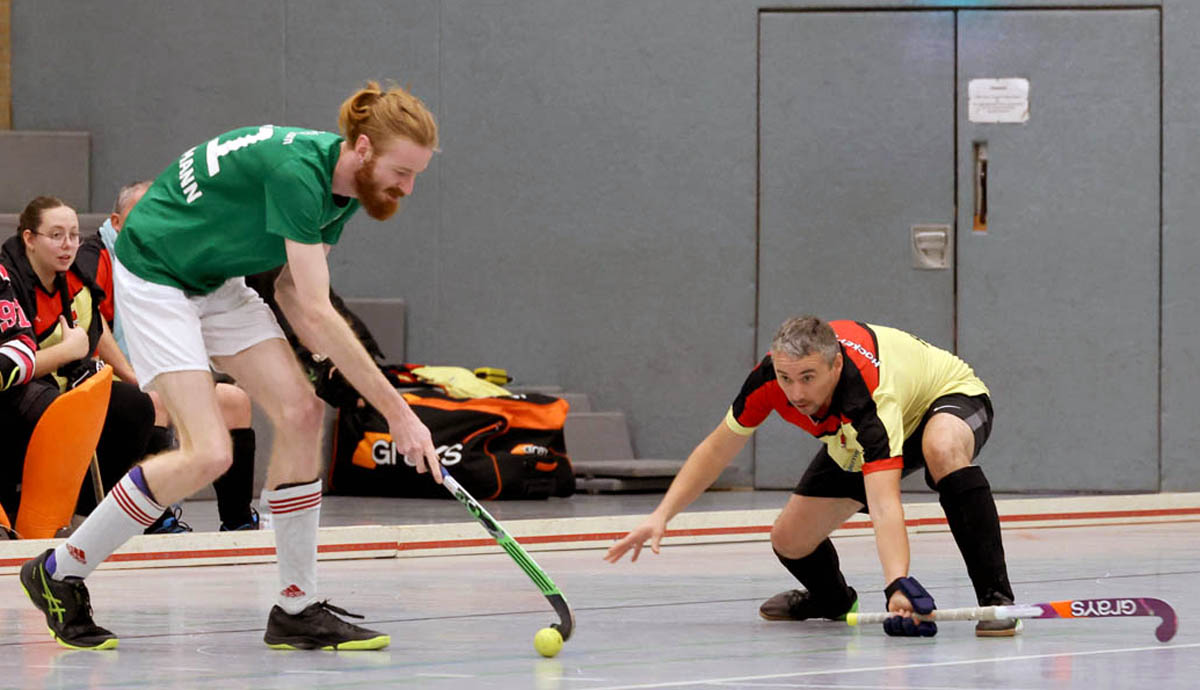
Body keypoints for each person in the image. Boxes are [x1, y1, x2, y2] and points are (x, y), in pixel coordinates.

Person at [20, 80, 442, 652]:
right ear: (363, 148)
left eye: (416, 175)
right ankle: (59, 571)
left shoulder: (341, 190)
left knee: (300, 414)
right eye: (402, 172)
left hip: (215, 278)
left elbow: (291, 291)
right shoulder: (299, 174)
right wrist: (398, 412)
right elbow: (317, 310)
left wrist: (326, 361)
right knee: (209, 452)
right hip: (156, 274)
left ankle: (296, 607)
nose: (407, 188)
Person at [606, 316, 1019, 638]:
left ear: (835, 364)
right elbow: (716, 449)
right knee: (790, 538)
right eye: (786, 378)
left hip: (945, 398)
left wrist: (897, 583)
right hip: (852, 436)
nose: (796, 394)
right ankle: (832, 600)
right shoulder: (768, 381)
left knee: (941, 448)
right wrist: (661, 515)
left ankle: (996, 598)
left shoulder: (868, 398)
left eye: (808, 378)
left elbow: (883, 503)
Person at [76, 180, 259, 532]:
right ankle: (154, 520)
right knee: (154, 401)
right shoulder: (95, 255)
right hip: (109, 379)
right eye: (141, 214)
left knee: (234, 402)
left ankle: (238, 521)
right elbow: (92, 322)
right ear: (116, 222)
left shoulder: (172, 258)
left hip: (162, 372)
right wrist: (132, 375)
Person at [0, 197, 157, 523]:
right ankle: (23, 509)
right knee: (48, 405)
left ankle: (87, 508)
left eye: (74, 235)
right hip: (14, 392)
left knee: (136, 404)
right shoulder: (8, 280)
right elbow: (11, 368)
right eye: (56, 235)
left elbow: (94, 329)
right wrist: (67, 351)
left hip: (60, 383)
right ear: (29, 239)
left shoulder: (75, 278)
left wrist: (130, 374)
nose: (68, 245)